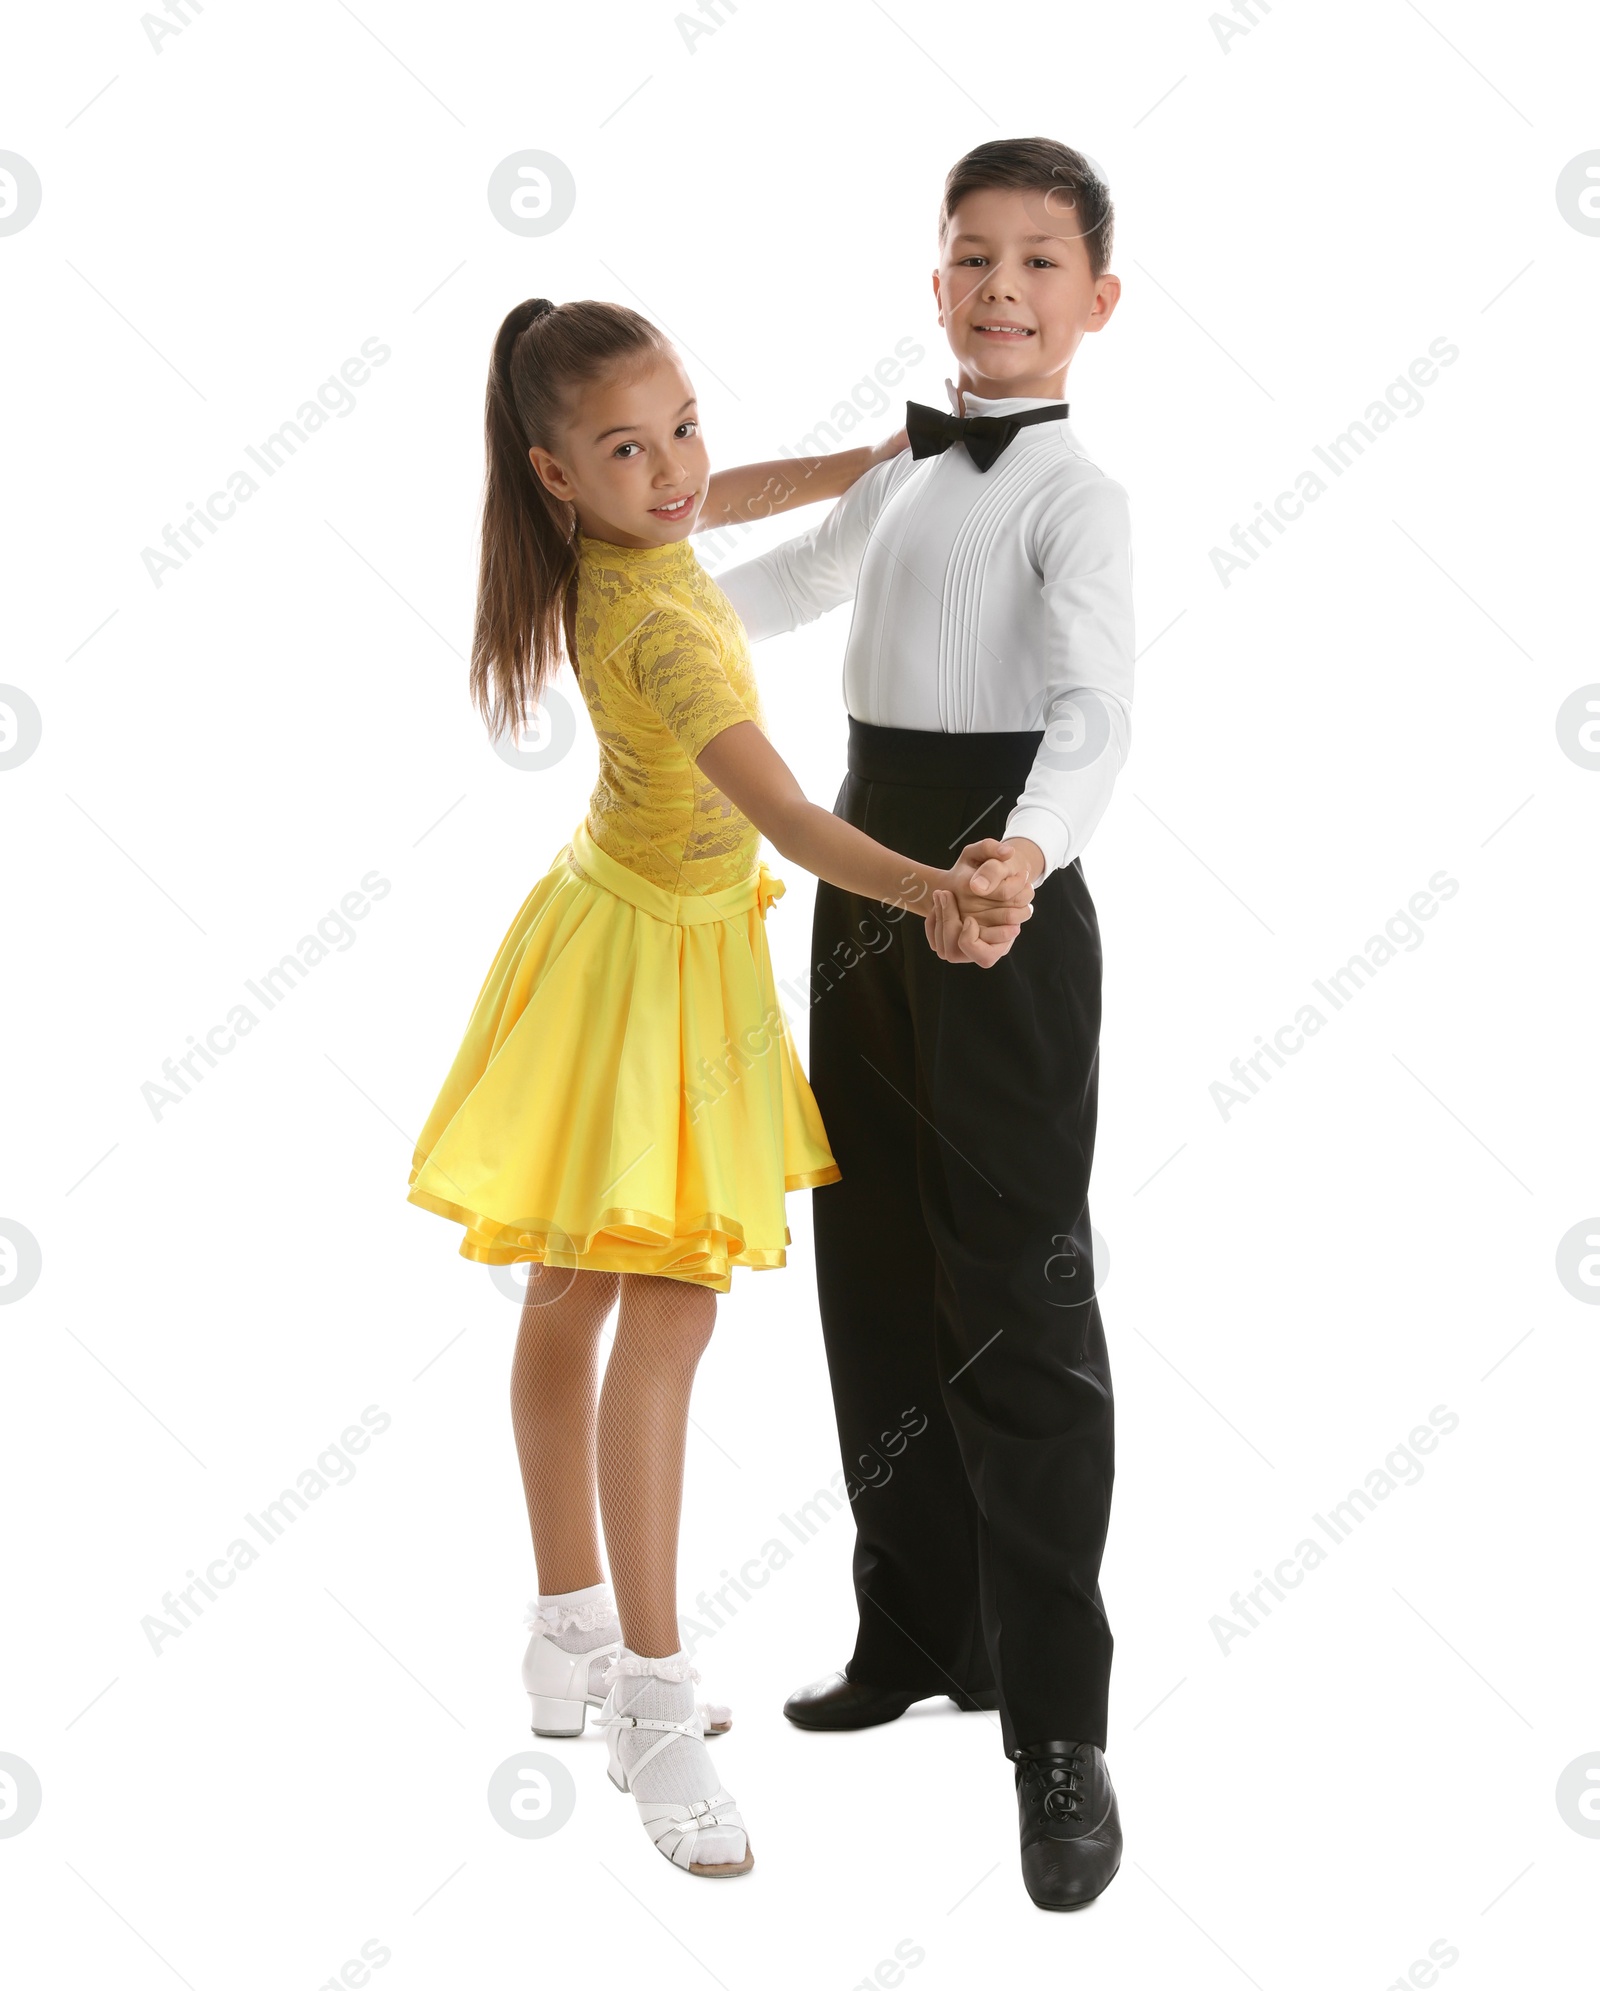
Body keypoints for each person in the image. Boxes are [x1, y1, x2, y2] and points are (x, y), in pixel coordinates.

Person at [405, 297, 1033, 1880]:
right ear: (559, 476)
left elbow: (716, 500)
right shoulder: (661, 632)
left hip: (615, 927)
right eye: (632, 449)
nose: (679, 467)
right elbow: (794, 822)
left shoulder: (612, 537)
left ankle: (566, 1638)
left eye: (684, 423)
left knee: (570, 1289)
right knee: (661, 1310)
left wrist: (865, 458)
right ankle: (652, 1703)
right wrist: (930, 891)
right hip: (653, 979)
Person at [716, 137, 1133, 1910]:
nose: (1002, 290)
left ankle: (1058, 1726)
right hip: (859, 883)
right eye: (975, 258)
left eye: (1040, 264)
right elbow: (780, 594)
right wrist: (616, 627)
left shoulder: (1074, 495)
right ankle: (918, 1637)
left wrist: (1018, 858)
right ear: (936, 279)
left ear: (1095, 301)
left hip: (995, 901)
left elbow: (1098, 710)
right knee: (872, 1265)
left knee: (1017, 1304)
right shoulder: (900, 472)